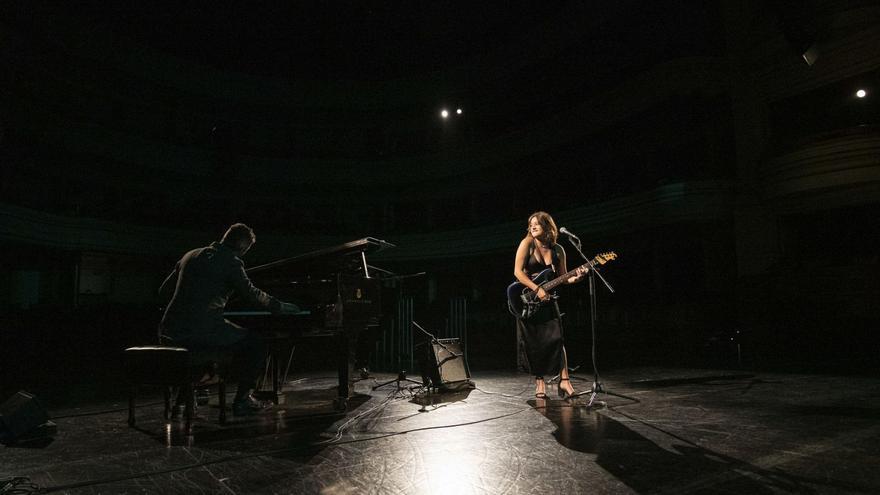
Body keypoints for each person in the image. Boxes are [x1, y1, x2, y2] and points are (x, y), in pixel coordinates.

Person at [159, 223, 299, 416]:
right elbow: (252, 294)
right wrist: (280, 306)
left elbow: (164, 291)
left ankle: (182, 403)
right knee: (255, 345)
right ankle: (243, 401)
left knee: (217, 343)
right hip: (200, 330)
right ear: (243, 248)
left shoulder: (190, 255)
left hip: (168, 330)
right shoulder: (232, 262)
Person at [513, 211, 586, 400]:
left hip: (549, 301)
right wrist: (537, 289)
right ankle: (540, 383)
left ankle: (565, 381)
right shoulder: (527, 243)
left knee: (558, 339)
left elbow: (564, 278)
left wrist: (576, 278)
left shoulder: (558, 249)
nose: (533, 226)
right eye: (531, 224)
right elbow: (518, 273)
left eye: (537, 223)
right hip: (529, 300)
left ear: (547, 226)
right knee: (534, 343)